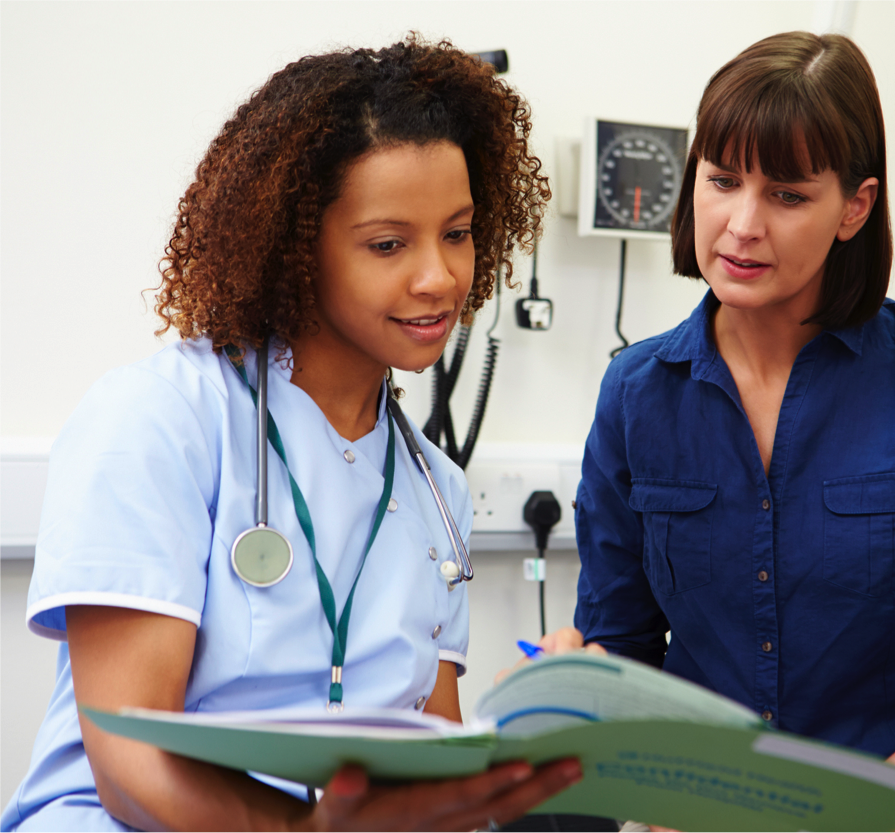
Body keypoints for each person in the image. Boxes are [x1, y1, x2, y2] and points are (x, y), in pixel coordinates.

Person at [1, 37, 581, 833]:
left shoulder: (435, 491)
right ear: (296, 244)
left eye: (457, 232)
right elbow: (129, 766)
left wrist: (540, 733)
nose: (440, 277)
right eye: (388, 243)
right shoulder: (159, 421)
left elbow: (428, 762)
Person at [559, 31, 895, 833]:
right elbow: (620, 651)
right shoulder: (636, 394)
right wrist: (579, 697)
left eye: (788, 194)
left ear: (854, 208)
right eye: (722, 180)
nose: (741, 224)